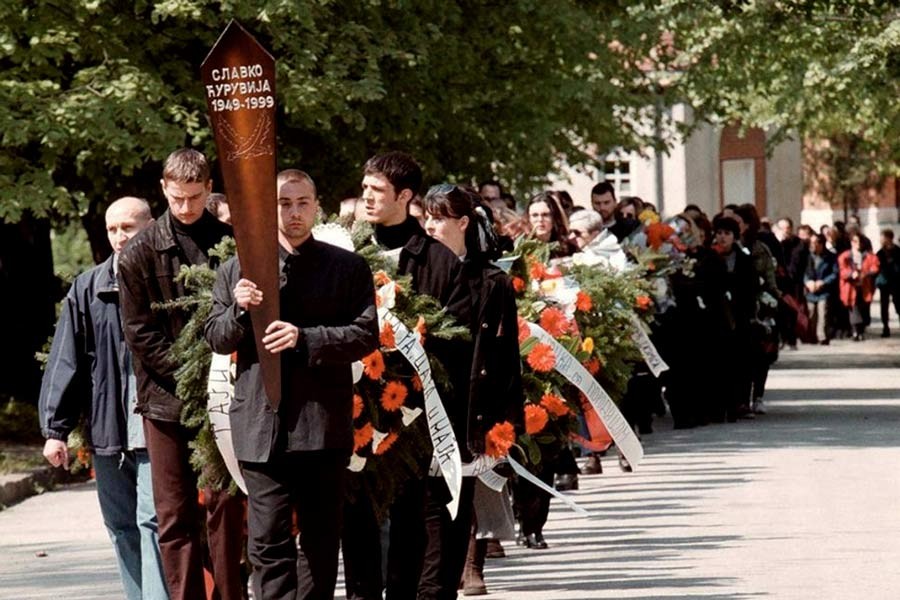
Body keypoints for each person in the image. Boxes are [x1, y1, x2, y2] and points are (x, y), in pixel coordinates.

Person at [205, 169, 379, 599]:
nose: (294, 213)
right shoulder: (237, 270)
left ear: (316, 207)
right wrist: (239, 310)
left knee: (320, 543)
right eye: (284, 203)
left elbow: (364, 335)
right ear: (269, 208)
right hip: (261, 425)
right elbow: (215, 335)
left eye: (302, 203)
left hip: (322, 423)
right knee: (266, 541)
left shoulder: (348, 268)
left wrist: (307, 338)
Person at [342, 151, 469, 600]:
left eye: (377, 191)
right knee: (355, 521)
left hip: (411, 417)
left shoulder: (438, 261)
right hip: (354, 413)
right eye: (365, 189)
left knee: (409, 524)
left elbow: (454, 341)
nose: (367, 198)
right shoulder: (346, 250)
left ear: (406, 195)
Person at [118, 148, 243, 600]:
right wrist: (191, 379)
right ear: (163, 191)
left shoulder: (230, 242)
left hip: (225, 395)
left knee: (226, 505)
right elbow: (139, 333)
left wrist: (217, 378)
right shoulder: (138, 253)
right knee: (173, 515)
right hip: (164, 400)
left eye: (194, 197)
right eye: (176, 198)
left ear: (209, 189)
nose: (186, 207)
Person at [39, 196, 167, 600]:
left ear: (150, 226)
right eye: (112, 229)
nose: (119, 237)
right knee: (121, 527)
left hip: (156, 425)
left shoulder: (167, 280)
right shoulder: (89, 288)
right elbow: (66, 362)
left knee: (153, 522)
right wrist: (55, 430)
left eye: (128, 227)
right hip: (109, 429)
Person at [422, 184, 523, 599]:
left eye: (438, 217)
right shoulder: (413, 273)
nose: (429, 225)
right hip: (420, 414)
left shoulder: (492, 281)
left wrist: (507, 427)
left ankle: (459, 576)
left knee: (455, 523)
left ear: (462, 223)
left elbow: (506, 357)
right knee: (425, 533)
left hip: (467, 415)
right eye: (425, 217)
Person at [711, 215, 757, 420]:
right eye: (719, 233)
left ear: (734, 236)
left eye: (727, 234)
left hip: (740, 317)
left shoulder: (744, 259)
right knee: (720, 363)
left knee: (742, 362)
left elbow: (752, 287)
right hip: (716, 318)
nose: (722, 238)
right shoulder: (710, 257)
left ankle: (740, 402)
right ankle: (720, 404)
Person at [838, 233, 880, 341]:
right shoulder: (845, 256)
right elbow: (842, 270)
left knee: (864, 308)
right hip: (850, 287)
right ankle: (855, 331)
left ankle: (861, 330)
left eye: (860, 242)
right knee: (853, 307)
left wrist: (866, 273)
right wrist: (851, 273)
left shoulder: (868, 255)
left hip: (864, 286)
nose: (858, 244)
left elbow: (875, 266)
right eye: (855, 241)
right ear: (851, 242)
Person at [804, 233, 837, 345]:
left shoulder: (830, 257)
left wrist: (823, 282)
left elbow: (834, 273)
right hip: (811, 290)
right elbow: (803, 272)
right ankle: (812, 336)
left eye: (815, 243)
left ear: (821, 244)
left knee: (823, 312)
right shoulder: (807, 257)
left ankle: (822, 337)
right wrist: (808, 282)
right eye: (811, 243)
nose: (813, 245)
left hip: (824, 290)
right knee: (811, 313)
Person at [527, 192, 574, 257]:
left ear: (554, 217)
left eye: (545, 215)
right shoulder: (523, 248)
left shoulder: (568, 247)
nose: (540, 219)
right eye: (535, 215)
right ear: (528, 218)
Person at [875, 229, 900, 337]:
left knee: (899, 304)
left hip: (896, 282)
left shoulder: (898, 251)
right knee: (884, 306)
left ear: (889, 238)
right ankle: (885, 327)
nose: (881, 240)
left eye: (883, 237)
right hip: (884, 283)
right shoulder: (880, 253)